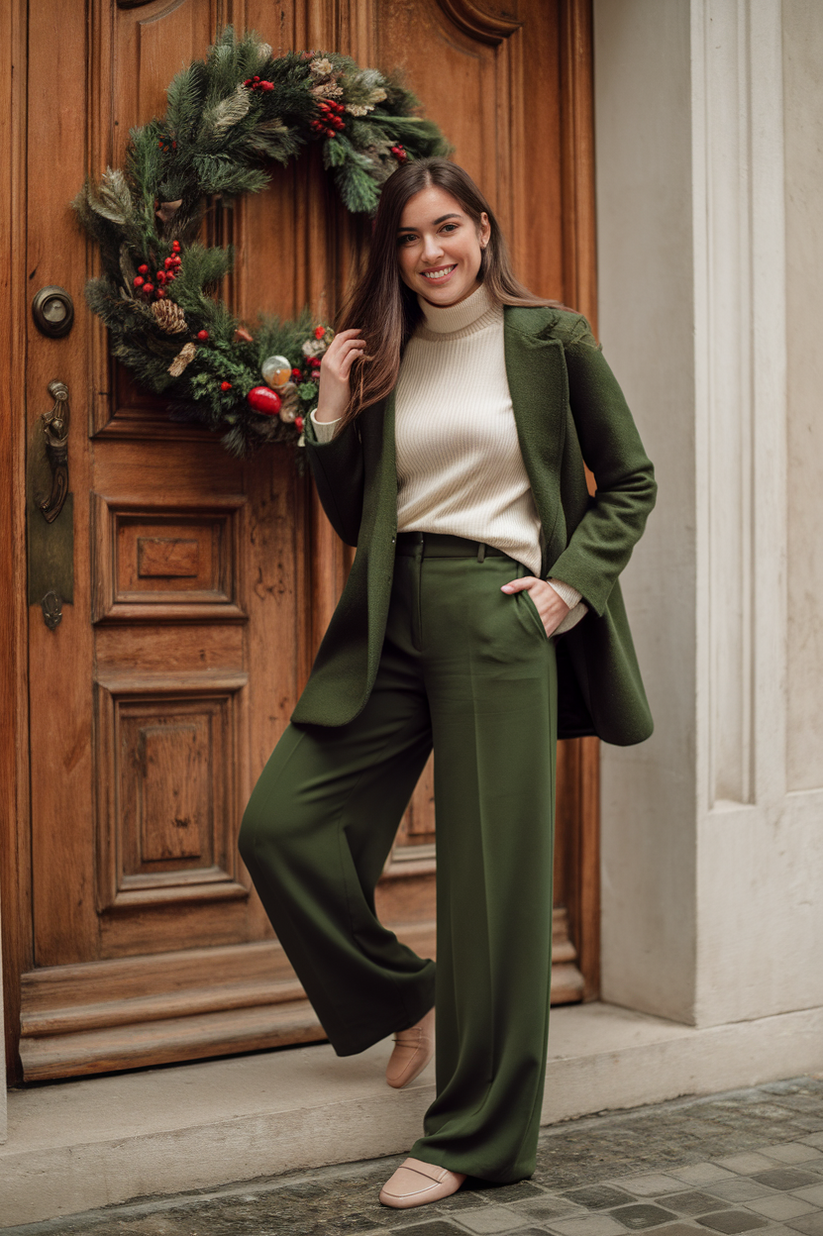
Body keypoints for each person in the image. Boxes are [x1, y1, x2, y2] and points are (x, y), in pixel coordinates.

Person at [238, 158, 656, 1209]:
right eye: (409, 238)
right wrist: (329, 409)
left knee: (491, 891)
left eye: (446, 229)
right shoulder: (385, 357)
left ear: (481, 227)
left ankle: (475, 1137)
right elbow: (353, 511)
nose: (429, 254)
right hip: (390, 612)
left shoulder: (547, 338)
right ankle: (402, 993)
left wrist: (567, 590)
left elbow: (630, 481)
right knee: (281, 827)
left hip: (497, 608)